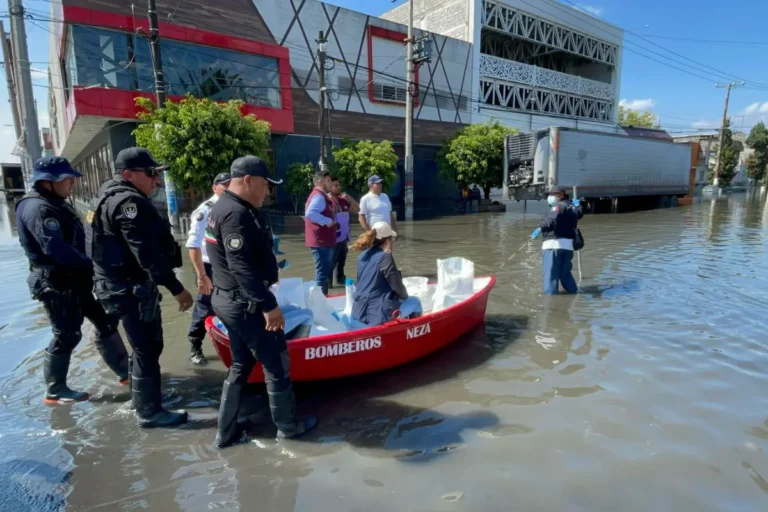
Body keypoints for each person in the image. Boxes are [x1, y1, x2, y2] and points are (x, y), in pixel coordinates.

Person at [207, 155, 317, 448]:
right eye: (265, 185)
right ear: (247, 181)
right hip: (247, 304)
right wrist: (268, 305)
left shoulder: (224, 208)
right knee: (276, 362)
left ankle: (225, 431)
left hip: (229, 300)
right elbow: (240, 266)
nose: (268, 192)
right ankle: (288, 427)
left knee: (242, 363)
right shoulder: (235, 214)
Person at [86, 147, 194, 428]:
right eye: (150, 174)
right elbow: (145, 254)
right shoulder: (127, 203)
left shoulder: (107, 195)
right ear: (127, 174)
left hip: (114, 285)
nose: (155, 181)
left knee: (141, 347)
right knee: (147, 347)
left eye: (155, 174)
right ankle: (150, 413)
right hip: (128, 288)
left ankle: (142, 399)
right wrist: (176, 287)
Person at [15, 156, 130, 404]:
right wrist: (96, 266)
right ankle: (55, 389)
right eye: (66, 179)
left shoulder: (56, 202)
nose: (72, 183)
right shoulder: (38, 208)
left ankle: (125, 373)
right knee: (67, 334)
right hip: (57, 283)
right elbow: (56, 250)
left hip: (76, 280)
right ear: (48, 182)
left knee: (105, 320)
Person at [185, 172, 231, 365]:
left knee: (231, 304)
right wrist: (201, 275)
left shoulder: (232, 208)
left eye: (231, 184)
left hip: (227, 266)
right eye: (224, 185)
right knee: (205, 306)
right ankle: (195, 345)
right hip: (209, 267)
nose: (229, 188)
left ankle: (229, 344)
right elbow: (193, 245)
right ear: (215, 188)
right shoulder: (205, 210)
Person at [350, 221, 421, 326]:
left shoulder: (362, 256)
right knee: (415, 301)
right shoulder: (385, 258)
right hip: (377, 316)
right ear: (387, 240)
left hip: (357, 313)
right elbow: (397, 286)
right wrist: (404, 296)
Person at [530, 186, 583, 295]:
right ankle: (574, 294)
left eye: (553, 194)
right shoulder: (573, 207)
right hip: (568, 247)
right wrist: (578, 206)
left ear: (561, 195)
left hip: (553, 245)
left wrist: (540, 228)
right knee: (565, 274)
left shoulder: (558, 207)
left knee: (551, 275)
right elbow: (579, 214)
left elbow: (551, 220)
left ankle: (550, 301)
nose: (550, 197)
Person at [304, 171, 336, 295]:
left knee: (323, 271)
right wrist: (327, 221)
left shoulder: (317, 195)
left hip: (320, 240)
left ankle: (322, 298)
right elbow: (310, 213)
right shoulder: (318, 197)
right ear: (320, 182)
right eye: (328, 181)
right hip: (321, 242)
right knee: (322, 272)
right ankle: (320, 301)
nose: (331, 184)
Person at [330, 176, 359, 287]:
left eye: (339, 185)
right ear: (330, 187)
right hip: (333, 238)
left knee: (341, 261)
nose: (339, 187)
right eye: (336, 185)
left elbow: (357, 209)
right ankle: (328, 286)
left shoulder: (343, 201)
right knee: (331, 262)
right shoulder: (327, 201)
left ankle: (340, 281)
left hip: (344, 237)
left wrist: (349, 197)